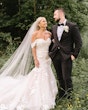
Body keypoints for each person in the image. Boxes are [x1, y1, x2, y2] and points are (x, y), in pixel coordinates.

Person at [0, 17, 58, 110]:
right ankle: (37, 98)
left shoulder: (49, 34)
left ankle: (48, 96)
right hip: (39, 58)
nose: (45, 22)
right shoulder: (35, 34)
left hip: (47, 59)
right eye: (43, 21)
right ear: (39, 24)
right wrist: (35, 59)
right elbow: (33, 48)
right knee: (38, 74)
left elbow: (52, 46)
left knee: (47, 75)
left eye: (46, 21)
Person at [49, 8, 82, 99]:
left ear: (61, 14)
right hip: (55, 55)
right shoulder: (54, 27)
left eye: (55, 14)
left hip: (67, 56)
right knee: (59, 77)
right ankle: (62, 96)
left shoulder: (72, 26)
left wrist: (74, 54)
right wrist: (50, 53)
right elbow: (52, 41)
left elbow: (78, 42)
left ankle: (69, 98)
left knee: (66, 77)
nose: (53, 16)